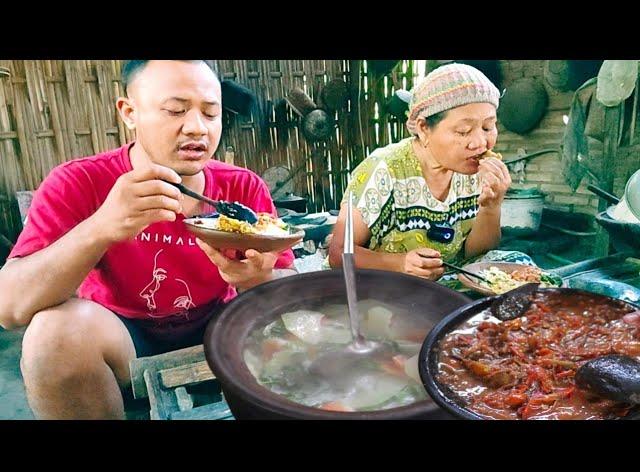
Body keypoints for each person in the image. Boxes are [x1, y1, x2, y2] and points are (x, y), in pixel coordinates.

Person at [0, 60, 296, 419]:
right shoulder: (79, 182)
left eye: (211, 113)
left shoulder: (242, 187)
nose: (196, 128)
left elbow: (288, 289)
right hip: (123, 338)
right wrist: (101, 226)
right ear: (129, 112)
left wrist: (258, 278)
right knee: (54, 335)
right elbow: (9, 307)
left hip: (220, 328)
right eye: (175, 110)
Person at [329, 63, 518, 282]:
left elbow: (476, 257)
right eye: (463, 131)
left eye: (488, 127)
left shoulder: (475, 170)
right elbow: (338, 253)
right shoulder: (384, 169)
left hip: (447, 286)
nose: (480, 143)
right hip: (382, 288)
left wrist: (491, 207)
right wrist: (400, 263)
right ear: (423, 128)